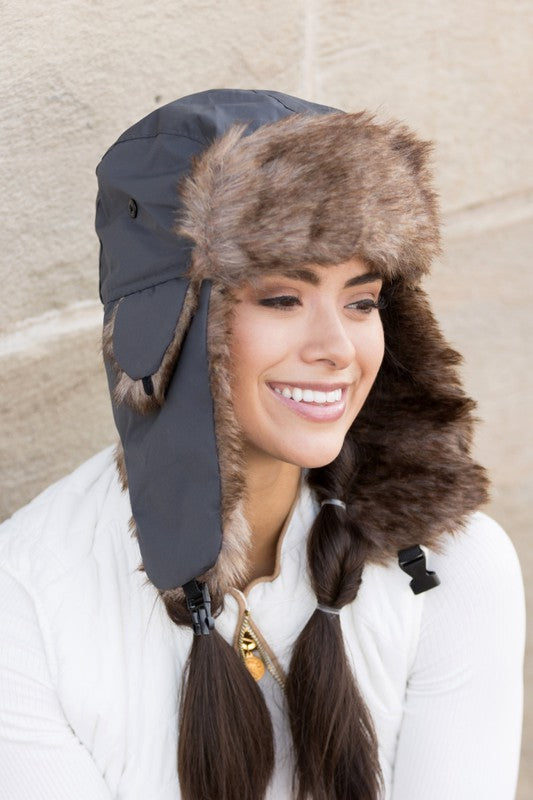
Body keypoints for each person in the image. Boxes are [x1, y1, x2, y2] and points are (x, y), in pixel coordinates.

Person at [0, 89, 525, 800]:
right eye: (282, 298)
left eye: (362, 301)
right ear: (172, 327)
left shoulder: (450, 569)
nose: (337, 348)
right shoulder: (23, 601)